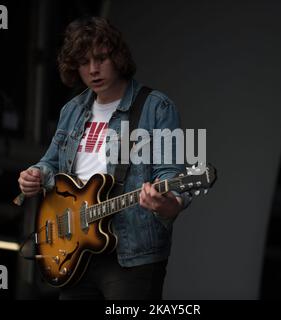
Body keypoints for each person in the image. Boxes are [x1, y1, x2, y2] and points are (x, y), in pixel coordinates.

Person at [17, 16, 191, 300]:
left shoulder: (155, 107)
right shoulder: (72, 110)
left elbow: (172, 174)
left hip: (132, 255)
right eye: (84, 62)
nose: (93, 70)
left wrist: (168, 204)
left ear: (118, 57)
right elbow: (50, 164)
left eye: (101, 58)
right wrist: (34, 174)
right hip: (75, 250)